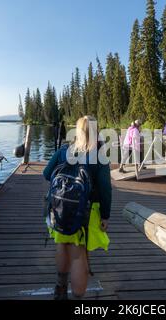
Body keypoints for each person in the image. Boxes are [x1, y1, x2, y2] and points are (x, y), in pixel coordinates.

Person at [43, 115, 112, 300]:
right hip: (85, 212)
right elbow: (106, 189)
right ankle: (77, 299)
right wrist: (105, 216)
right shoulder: (99, 155)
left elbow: (46, 174)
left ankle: (60, 288)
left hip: (59, 209)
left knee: (61, 245)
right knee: (77, 253)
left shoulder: (64, 150)